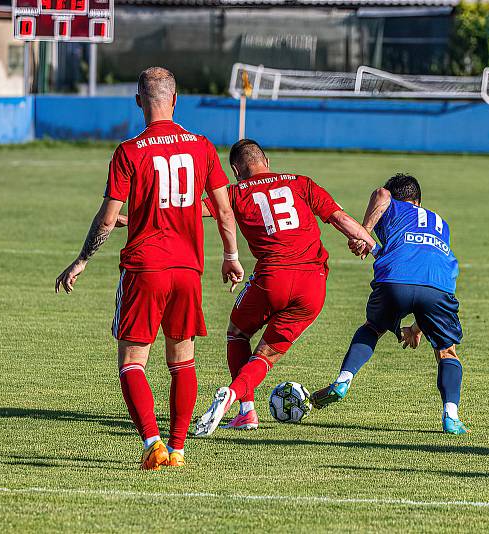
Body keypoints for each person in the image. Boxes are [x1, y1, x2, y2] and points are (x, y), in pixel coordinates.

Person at [55, 67, 243, 470]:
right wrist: (230, 255)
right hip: (188, 270)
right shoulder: (202, 147)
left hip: (145, 268)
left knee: (132, 362)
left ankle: (152, 442)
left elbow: (108, 218)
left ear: (139, 101)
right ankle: (177, 450)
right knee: (183, 361)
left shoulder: (130, 151)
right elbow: (224, 208)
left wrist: (83, 259)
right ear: (175, 100)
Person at [193, 139, 376, 437]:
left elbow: (189, 211)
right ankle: (236, 398)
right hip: (314, 285)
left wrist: (129, 219)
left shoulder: (233, 192)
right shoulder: (301, 183)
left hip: (272, 279)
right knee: (265, 355)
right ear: (266, 160)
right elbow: (341, 219)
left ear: (237, 170)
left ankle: (246, 409)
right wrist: (368, 243)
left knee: (237, 333)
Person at [311, 173, 468, 434]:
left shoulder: (394, 204)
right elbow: (426, 280)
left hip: (395, 280)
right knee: (446, 351)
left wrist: (364, 233)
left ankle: (342, 381)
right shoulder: (441, 223)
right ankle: (451, 416)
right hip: (438, 288)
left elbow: (381, 195)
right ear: (418, 201)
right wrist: (417, 330)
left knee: (373, 328)